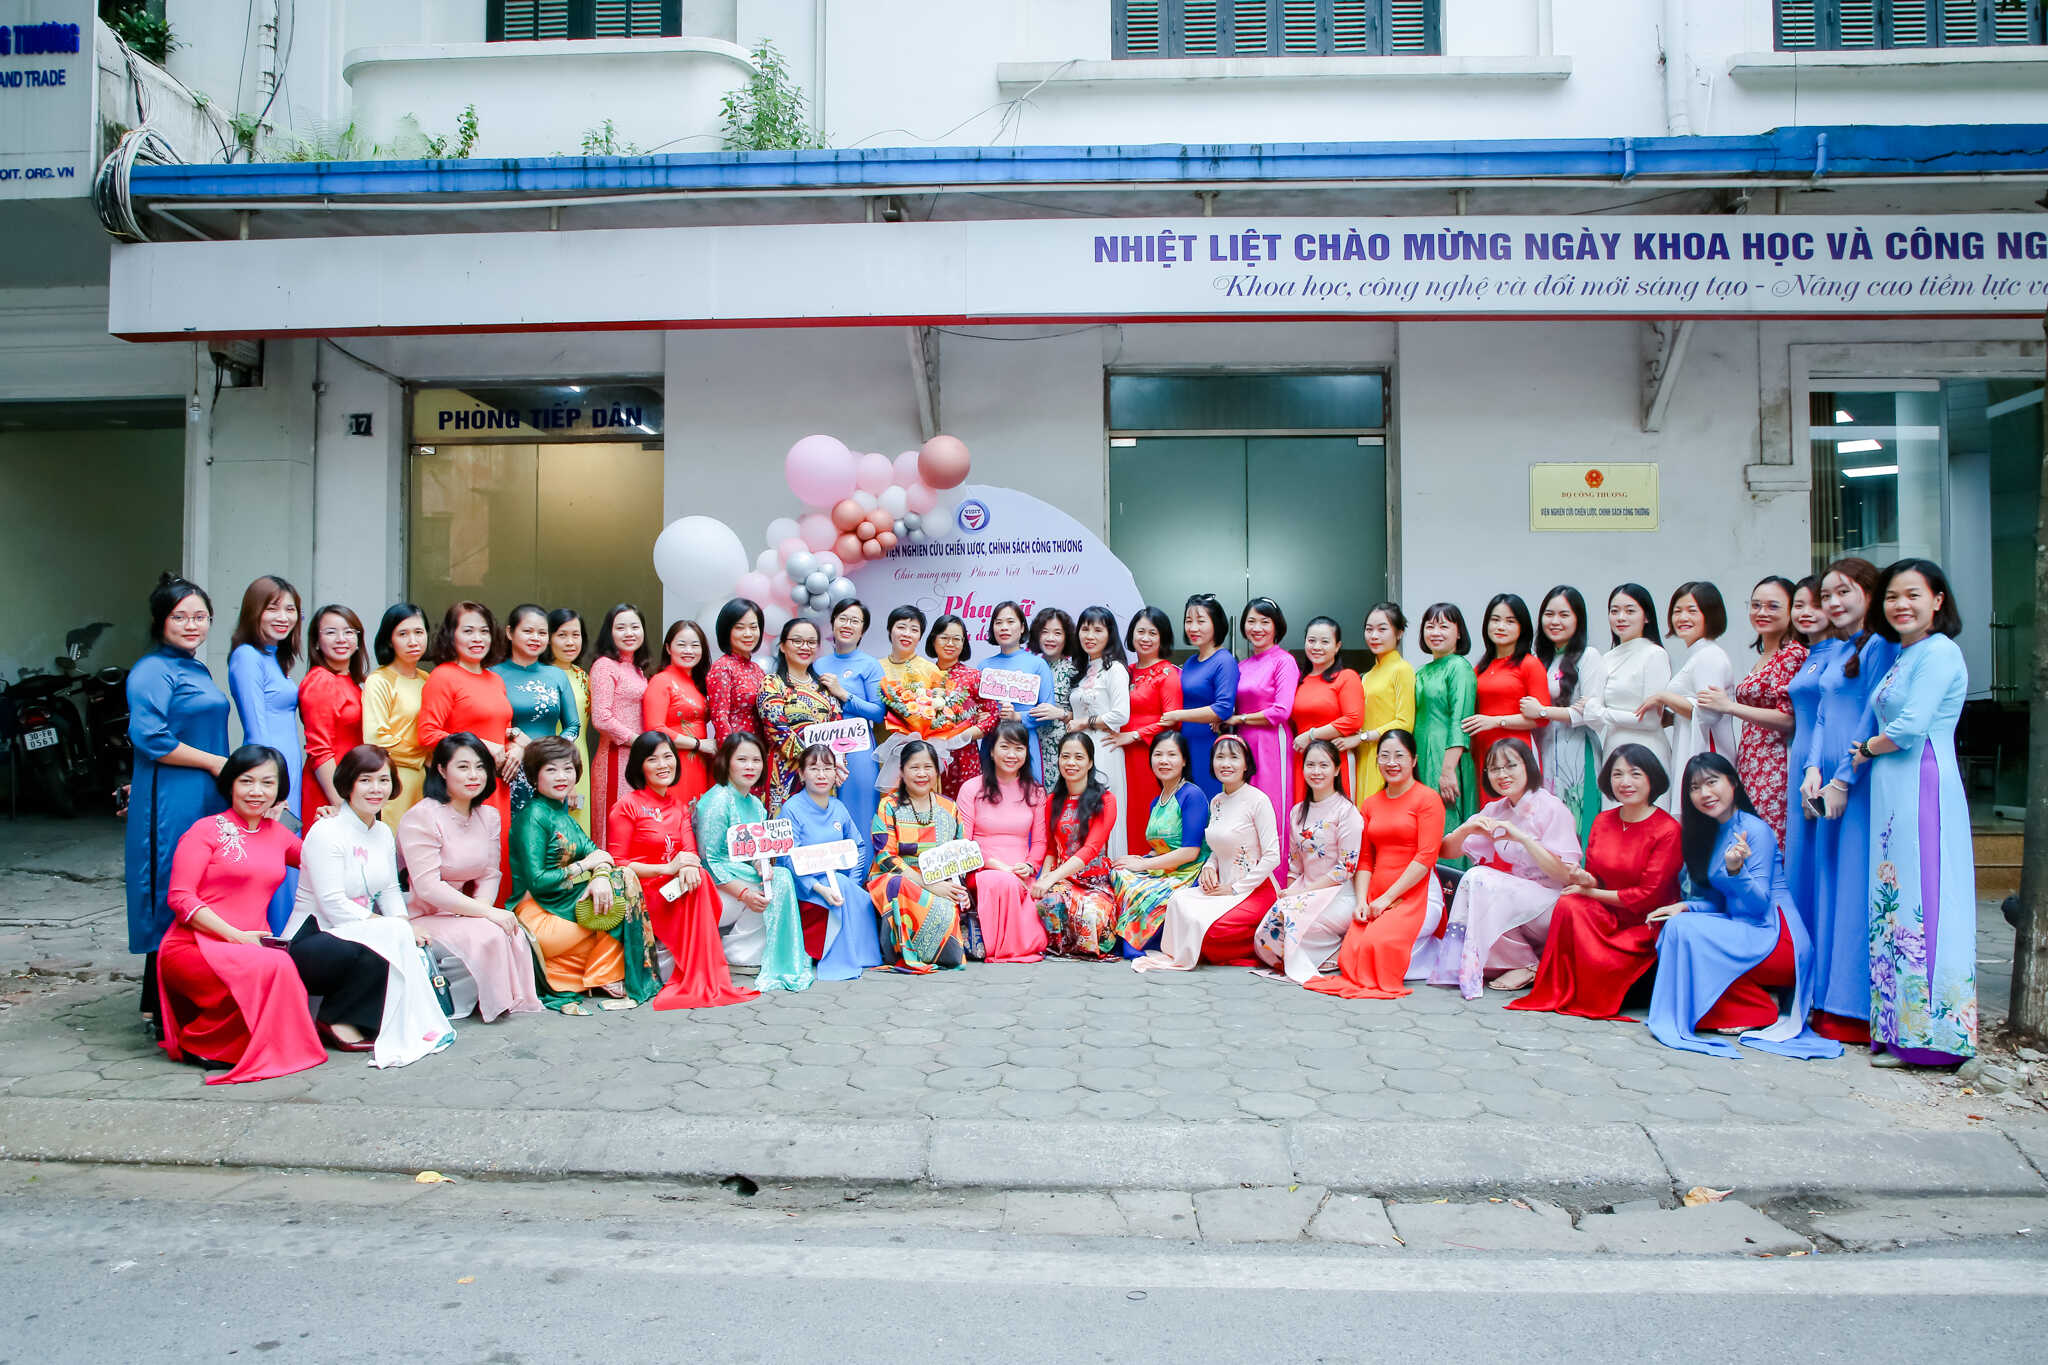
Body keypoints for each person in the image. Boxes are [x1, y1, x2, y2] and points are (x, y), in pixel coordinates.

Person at [1850, 558, 1977, 1067]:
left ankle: (1934, 1040)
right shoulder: (1906, 654)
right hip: (1893, 788)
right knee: (1894, 902)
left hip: (1922, 781)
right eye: (1891, 597)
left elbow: (1910, 726)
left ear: (1938, 600)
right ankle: (1898, 1031)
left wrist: (1866, 748)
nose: (1900, 605)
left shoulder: (1940, 652)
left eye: (1912, 595)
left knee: (1924, 898)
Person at [1643, 754, 1840, 1060]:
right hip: (1743, 931)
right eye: (1695, 787)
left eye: (1712, 782)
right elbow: (1722, 904)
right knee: (1671, 926)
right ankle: (1753, 1005)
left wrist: (1737, 871)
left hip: (1775, 936)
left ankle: (1755, 1007)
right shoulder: (1711, 833)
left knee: (1683, 932)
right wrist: (1686, 907)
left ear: (1733, 782)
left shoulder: (1754, 830)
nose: (1705, 793)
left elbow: (1759, 905)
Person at [156, 745, 327, 1083]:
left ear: (279, 790)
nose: (256, 791)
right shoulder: (205, 830)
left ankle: (214, 1044)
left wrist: (330, 825)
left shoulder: (278, 835)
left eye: (267, 783)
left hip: (250, 948)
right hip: (193, 945)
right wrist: (235, 936)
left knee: (276, 963)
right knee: (275, 964)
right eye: (247, 781)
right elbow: (180, 897)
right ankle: (201, 1041)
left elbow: (322, 861)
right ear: (231, 784)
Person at [289, 745, 454, 1068]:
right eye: (365, 780)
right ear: (348, 783)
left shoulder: (382, 832)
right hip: (313, 939)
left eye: (383, 780)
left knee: (399, 939)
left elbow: (390, 889)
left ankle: (367, 1017)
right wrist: (392, 928)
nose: (376, 788)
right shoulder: (326, 832)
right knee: (382, 944)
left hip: (357, 932)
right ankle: (334, 1018)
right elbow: (332, 904)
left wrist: (404, 924)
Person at [1793, 557, 1896, 1044]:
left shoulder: (1880, 646)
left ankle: (1853, 1008)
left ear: (1869, 594)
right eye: (1827, 595)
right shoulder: (1839, 648)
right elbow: (1820, 716)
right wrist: (1812, 768)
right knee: (1826, 880)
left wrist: (1842, 778)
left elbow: (1871, 719)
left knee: (1852, 883)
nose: (1833, 603)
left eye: (1844, 592)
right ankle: (1824, 996)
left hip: (1858, 777)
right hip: (1825, 778)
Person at [1506, 745, 1683, 1020]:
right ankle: (1561, 986)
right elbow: (1595, 877)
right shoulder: (1603, 821)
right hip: (1606, 915)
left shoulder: (1668, 829)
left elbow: (1647, 896)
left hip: (1645, 922)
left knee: (1583, 909)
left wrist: (1590, 891)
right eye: (1617, 774)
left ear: (1652, 778)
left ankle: (1598, 989)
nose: (1625, 782)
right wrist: (1584, 879)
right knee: (1569, 903)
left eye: (1635, 774)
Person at [126, 574, 231, 1037]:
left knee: (201, 883)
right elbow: (150, 737)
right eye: (180, 616)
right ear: (160, 621)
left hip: (205, 792)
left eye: (200, 616)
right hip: (171, 795)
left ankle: (178, 996)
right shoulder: (152, 670)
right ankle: (158, 1003)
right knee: (171, 884)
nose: (192, 625)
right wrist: (214, 763)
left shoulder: (196, 669)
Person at [398, 733, 544, 1022]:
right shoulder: (421, 817)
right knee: (490, 930)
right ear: (442, 770)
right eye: (463, 767)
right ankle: (483, 1002)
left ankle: (507, 998)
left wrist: (483, 910)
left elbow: (490, 874)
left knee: (509, 929)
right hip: (421, 915)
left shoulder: (488, 816)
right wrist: (484, 913)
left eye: (480, 767)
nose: (473, 775)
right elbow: (428, 887)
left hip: (460, 913)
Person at [606, 730, 758, 1008]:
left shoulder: (678, 807)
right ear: (639, 765)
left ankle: (703, 974)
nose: (663, 764)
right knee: (698, 881)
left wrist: (688, 865)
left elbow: (690, 851)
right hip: (644, 893)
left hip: (676, 887)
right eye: (653, 759)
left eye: (668, 756)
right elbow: (618, 864)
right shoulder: (626, 807)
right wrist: (668, 867)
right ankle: (702, 974)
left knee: (699, 877)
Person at [510, 736, 662, 1011]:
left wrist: (600, 877)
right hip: (538, 913)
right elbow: (538, 881)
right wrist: (583, 867)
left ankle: (603, 972)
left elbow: (600, 855)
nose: (562, 776)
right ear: (534, 775)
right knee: (623, 883)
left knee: (618, 879)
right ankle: (608, 974)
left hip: (562, 905)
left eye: (568, 769)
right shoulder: (533, 817)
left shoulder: (562, 816)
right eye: (551, 769)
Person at [1429, 737, 1580, 999]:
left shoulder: (1551, 808)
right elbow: (1446, 852)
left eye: (1510, 765)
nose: (1502, 774)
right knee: (1475, 885)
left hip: (1553, 903)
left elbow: (1566, 874)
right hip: (1523, 899)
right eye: (1495, 769)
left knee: (1479, 878)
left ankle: (1526, 963)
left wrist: (1522, 838)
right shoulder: (1496, 810)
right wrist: (1466, 829)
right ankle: (1522, 961)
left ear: (1528, 766)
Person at [1306, 730, 1447, 1001]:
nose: (1391, 762)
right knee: (1351, 953)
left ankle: (1429, 957)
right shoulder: (1371, 803)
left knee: (1377, 943)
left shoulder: (1427, 799)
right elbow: (1365, 859)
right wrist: (1362, 901)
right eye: (1384, 756)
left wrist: (1387, 898)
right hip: (1375, 895)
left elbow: (1426, 857)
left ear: (1414, 760)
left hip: (1415, 895)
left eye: (1399, 756)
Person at [1134, 735, 1277, 971]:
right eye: (1220, 757)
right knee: (1178, 901)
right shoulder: (1217, 802)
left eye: (1233, 757)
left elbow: (1273, 856)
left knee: (1210, 931)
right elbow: (1215, 848)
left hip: (1253, 890)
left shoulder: (1258, 801)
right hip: (1221, 887)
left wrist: (1235, 888)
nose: (1226, 764)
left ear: (1246, 764)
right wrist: (1210, 867)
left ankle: (1253, 944)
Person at [416, 602, 517, 894]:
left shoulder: (495, 679)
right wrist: (482, 746)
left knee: (496, 864)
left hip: (498, 785)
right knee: (465, 865)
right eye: (468, 631)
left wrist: (517, 747)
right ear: (452, 634)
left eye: (484, 631)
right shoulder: (443, 676)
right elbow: (428, 733)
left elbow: (502, 728)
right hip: (462, 788)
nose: (478, 638)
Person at [694, 732, 808, 987]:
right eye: (742, 759)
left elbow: (755, 851)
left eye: (756, 760)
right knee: (775, 883)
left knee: (780, 877)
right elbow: (709, 861)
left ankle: (746, 952)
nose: (750, 767)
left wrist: (761, 864)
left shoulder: (756, 804)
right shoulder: (717, 801)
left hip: (742, 877)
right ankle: (738, 951)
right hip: (716, 887)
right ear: (726, 761)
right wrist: (744, 893)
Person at [1700, 577, 1806, 848]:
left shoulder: (1791, 654)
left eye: (1773, 606)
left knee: (1768, 841)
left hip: (1775, 763)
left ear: (1792, 610)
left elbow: (1788, 718)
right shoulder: (1767, 655)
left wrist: (1729, 706)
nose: (1762, 612)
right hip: (1751, 761)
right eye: (1756, 605)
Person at [227, 574, 305, 931]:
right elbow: (256, 729)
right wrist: (270, 787)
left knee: (284, 853)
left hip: (286, 772)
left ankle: (287, 941)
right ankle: (274, 942)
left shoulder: (273, 658)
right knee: (273, 862)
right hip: (272, 773)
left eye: (290, 609)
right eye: (273, 608)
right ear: (254, 611)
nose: (283, 617)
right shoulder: (247, 657)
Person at [1254, 739, 1365, 983]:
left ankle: (1338, 950)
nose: (1316, 771)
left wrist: (1303, 893)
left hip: (1338, 893)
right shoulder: (1297, 812)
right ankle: (1319, 953)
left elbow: (1346, 869)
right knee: (1266, 935)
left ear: (1336, 769)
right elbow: (1295, 864)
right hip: (1305, 890)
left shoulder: (1347, 812)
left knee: (1296, 927)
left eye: (1324, 765)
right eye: (1311, 765)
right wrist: (1290, 893)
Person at [777, 743, 883, 980]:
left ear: (836, 774)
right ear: (802, 774)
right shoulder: (791, 808)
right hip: (806, 886)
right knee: (840, 891)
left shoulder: (838, 807)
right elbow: (789, 857)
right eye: (814, 769)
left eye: (827, 768)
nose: (821, 775)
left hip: (839, 882)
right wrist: (819, 887)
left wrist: (853, 883)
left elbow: (858, 846)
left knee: (860, 896)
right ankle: (831, 955)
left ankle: (863, 955)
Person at [867, 740, 970, 972]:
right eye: (914, 767)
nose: (922, 774)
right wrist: (928, 885)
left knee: (948, 905)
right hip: (897, 879)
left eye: (928, 767)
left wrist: (956, 886)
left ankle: (941, 952)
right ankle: (900, 952)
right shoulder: (888, 805)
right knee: (899, 885)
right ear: (902, 772)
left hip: (940, 882)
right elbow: (885, 857)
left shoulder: (949, 807)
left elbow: (959, 854)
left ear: (937, 770)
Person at [954, 720, 1051, 963]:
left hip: (1021, 873)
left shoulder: (1036, 792)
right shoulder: (971, 788)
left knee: (1016, 884)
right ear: (991, 751)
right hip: (981, 870)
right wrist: (996, 865)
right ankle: (1001, 947)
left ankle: (1015, 943)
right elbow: (963, 843)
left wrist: (1029, 866)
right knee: (1000, 880)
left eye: (1019, 748)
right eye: (1005, 747)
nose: (1011, 754)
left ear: (1026, 752)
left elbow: (1040, 842)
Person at [1110, 731, 1210, 957]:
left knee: (1140, 890)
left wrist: (1143, 864)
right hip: (1163, 868)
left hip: (1187, 873)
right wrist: (1140, 859)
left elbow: (1190, 852)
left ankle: (1139, 942)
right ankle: (1114, 936)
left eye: (1172, 755)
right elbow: (1161, 848)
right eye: (1158, 755)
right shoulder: (1158, 801)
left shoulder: (1192, 795)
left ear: (1184, 760)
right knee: (1118, 872)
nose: (1164, 761)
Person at [1640, 582, 1736, 816]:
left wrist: (1663, 697)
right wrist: (1670, 717)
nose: (1682, 617)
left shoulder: (1708, 656)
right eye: (1677, 611)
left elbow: (1708, 712)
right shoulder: (1697, 654)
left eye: (1692, 611)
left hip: (1707, 757)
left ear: (1710, 614)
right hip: (1693, 751)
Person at [1226, 597, 1299, 883]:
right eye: (1251, 621)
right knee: (1244, 811)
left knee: (1271, 809)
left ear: (1277, 626)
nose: (1257, 628)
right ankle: (1245, 880)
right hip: (1243, 743)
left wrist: (1241, 719)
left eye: (1264, 622)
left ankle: (1276, 882)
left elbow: (1281, 711)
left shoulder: (1284, 661)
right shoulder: (1242, 665)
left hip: (1271, 743)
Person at [1526, 586, 1606, 846]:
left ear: (1578, 619)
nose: (1555, 621)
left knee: (1577, 819)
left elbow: (1591, 712)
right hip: (1546, 749)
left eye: (1564, 615)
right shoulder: (1540, 660)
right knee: (1547, 822)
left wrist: (1543, 712)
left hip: (1578, 751)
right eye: (1549, 614)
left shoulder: (1589, 657)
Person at [1033, 732, 1122, 959]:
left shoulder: (1106, 800)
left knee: (1090, 917)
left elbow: (1091, 849)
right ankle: (1059, 948)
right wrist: (1044, 878)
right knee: (1046, 902)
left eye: (1078, 757)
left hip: (1095, 881)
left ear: (1090, 762)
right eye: (1065, 756)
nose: (1071, 763)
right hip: (1064, 881)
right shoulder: (1052, 801)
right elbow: (1051, 849)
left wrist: (1051, 878)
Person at [494, 604, 581, 823]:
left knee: (552, 834)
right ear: (509, 632)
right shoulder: (493, 675)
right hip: (510, 769)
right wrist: (514, 743)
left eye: (542, 633)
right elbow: (487, 724)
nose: (536, 638)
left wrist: (544, 751)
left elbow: (573, 726)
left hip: (550, 769)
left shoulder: (556, 675)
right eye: (528, 631)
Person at [815, 598, 886, 839]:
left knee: (860, 814)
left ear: (863, 630)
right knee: (824, 814)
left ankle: (862, 864)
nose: (847, 625)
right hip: (823, 747)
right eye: (843, 618)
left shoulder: (870, 665)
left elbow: (878, 712)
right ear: (833, 622)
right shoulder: (818, 664)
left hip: (857, 748)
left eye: (855, 621)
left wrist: (843, 694)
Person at [755, 616, 842, 815]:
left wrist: (836, 764)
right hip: (786, 772)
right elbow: (777, 728)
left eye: (811, 642)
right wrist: (815, 761)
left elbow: (838, 730)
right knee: (786, 827)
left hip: (822, 776)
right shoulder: (772, 683)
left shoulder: (825, 688)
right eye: (797, 641)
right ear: (782, 646)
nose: (805, 647)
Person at [1413, 603, 1477, 866]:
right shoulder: (1421, 671)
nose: (1435, 632)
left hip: (1446, 755)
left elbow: (1460, 720)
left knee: (1446, 820)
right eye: (1430, 626)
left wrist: (1448, 770)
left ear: (1459, 633)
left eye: (1444, 626)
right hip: (1422, 753)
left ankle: (1451, 880)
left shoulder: (1459, 667)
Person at [1463, 593, 1548, 791]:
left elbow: (1541, 719)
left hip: (1514, 754)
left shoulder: (1530, 665)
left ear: (1522, 627)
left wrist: (1496, 721)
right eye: (1495, 620)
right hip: (1483, 753)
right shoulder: (1481, 668)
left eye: (1510, 621)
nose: (1501, 627)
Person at [1117, 606, 1183, 857]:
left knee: (1144, 808)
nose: (1145, 638)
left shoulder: (1167, 673)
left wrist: (1135, 735)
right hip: (1119, 753)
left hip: (1148, 754)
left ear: (1162, 637)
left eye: (1152, 633)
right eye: (1140, 631)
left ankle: (1146, 864)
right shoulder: (1125, 671)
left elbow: (1172, 720)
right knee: (1122, 808)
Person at [1588, 583, 1674, 777]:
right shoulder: (1606, 658)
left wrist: (1602, 714)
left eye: (1630, 611)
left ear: (1646, 617)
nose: (1621, 617)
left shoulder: (1654, 654)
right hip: (1613, 749)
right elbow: (1592, 711)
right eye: (1614, 611)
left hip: (1647, 752)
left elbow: (1651, 720)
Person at [1066, 605, 1132, 853]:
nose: (1090, 636)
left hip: (1103, 748)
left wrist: (1085, 722)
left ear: (1110, 634)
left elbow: (1121, 714)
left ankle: (1106, 867)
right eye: (1085, 629)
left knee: (1102, 811)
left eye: (1097, 630)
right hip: (1079, 750)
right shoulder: (1082, 671)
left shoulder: (1115, 669)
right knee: (1080, 812)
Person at [1161, 593, 1238, 801]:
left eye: (1201, 621)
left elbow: (1223, 708)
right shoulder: (1191, 662)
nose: (1193, 627)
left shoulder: (1224, 660)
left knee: (1208, 801)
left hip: (1209, 744)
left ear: (1216, 624)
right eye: (1188, 621)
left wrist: (1178, 715)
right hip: (1186, 744)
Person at [296, 604, 367, 832]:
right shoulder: (320, 680)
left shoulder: (355, 683)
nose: (341, 639)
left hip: (355, 787)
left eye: (348, 632)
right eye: (330, 632)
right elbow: (319, 749)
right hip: (330, 791)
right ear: (316, 642)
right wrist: (341, 804)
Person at [362, 604, 431, 827]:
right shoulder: (379, 681)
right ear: (390, 640)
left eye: (419, 632)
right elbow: (376, 739)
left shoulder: (427, 679)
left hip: (428, 781)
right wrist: (423, 756)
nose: (413, 641)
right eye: (403, 634)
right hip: (394, 780)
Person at [588, 604, 652, 840]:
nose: (629, 633)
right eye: (621, 627)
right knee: (615, 828)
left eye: (635, 627)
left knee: (636, 827)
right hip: (616, 758)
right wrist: (640, 742)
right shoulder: (604, 666)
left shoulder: (638, 669)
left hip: (638, 756)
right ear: (610, 632)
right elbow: (601, 719)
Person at [642, 619, 715, 808]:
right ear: (668, 648)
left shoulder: (699, 684)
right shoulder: (661, 681)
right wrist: (698, 744)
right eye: (681, 644)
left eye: (695, 645)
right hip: (672, 764)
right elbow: (655, 729)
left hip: (700, 764)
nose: (688, 650)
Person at [926, 612, 998, 800]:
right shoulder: (923, 675)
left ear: (964, 643)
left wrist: (963, 736)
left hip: (963, 756)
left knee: (963, 806)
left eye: (957, 639)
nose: (950, 644)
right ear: (933, 639)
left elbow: (992, 716)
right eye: (944, 638)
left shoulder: (974, 676)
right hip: (928, 756)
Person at [983, 600, 1058, 782]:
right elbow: (977, 710)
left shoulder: (1037, 664)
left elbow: (1048, 714)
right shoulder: (984, 666)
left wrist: (1017, 716)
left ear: (1022, 627)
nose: (1004, 627)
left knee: (1027, 793)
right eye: (998, 622)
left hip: (1024, 743)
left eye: (1010, 622)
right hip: (992, 744)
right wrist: (982, 716)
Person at [1349, 602, 1414, 804]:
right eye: (1369, 629)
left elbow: (1404, 723)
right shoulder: (1367, 676)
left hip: (1386, 756)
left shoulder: (1402, 669)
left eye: (1382, 629)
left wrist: (1364, 737)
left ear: (1399, 633)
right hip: (1363, 755)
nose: (1374, 636)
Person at [1290, 615, 1362, 798]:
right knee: (1303, 812)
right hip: (1302, 759)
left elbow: (1353, 719)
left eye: (1325, 641)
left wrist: (1311, 735)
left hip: (1334, 758)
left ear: (1337, 646)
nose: (1317, 647)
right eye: (1311, 640)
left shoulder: (1346, 677)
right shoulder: (1300, 681)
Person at [1028, 607, 1082, 791]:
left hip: (1059, 750)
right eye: (1045, 632)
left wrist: (1061, 713)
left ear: (1066, 637)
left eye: (1057, 633)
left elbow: (1085, 716)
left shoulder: (1074, 672)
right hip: (1028, 744)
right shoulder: (1028, 668)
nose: (1050, 638)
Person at [706, 599, 769, 756]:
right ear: (727, 630)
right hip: (735, 751)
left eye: (753, 627)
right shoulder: (723, 667)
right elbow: (719, 717)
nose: (748, 634)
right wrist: (731, 755)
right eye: (740, 627)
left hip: (758, 751)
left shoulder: (757, 669)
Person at [880, 605, 943, 688]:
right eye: (901, 627)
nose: (907, 634)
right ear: (890, 630)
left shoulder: (930, 670)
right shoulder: (876, 667)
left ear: (920, 636)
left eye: (914, 630)